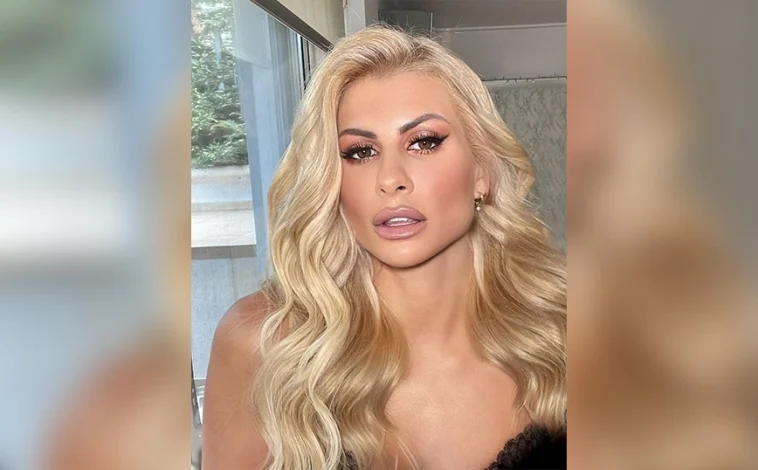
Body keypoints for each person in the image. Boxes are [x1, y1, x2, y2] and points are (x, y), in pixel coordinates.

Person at [202, 25, 566, 470]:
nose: (390, 179)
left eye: (424, 142)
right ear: (331, 181)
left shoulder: (567, 329)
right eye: (360, 152)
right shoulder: (263, 343)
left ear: (482, 172)